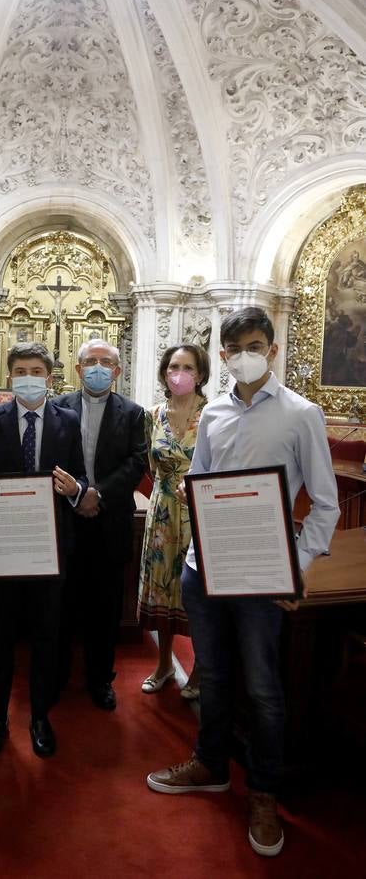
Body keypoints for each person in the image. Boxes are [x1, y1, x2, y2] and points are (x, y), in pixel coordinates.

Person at [146, 307, 340, 858]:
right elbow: (199, 480)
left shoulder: (301, 413)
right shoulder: (213, 413)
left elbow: (325, 503)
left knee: (262, 688)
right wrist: (197, 502)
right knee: (211, 674)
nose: (244, 356)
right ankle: (211, 763)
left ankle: (264, 791)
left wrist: (295, 567)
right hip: (204, 567)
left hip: (263, 576)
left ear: (272, 350)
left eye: (254, 346)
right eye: (234, 349)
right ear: (223, 356)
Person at [0, 342, 88, 759]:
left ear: (49, 377)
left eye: (36, 371)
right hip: (2, 547)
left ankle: (39, 716)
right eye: (20, 371)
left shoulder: (68, 420)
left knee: (46, 636)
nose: (28, 378)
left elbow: (81, 478)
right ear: (9, 376)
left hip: (48, 549)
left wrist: (76, 489)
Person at [55, 338, 147, 710]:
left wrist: (98, 494)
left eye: (105, 362)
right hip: (67, 518)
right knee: (63, 602)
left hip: (111, 521)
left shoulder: (134, 412)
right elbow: (52, 457)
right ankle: (59, 674)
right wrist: (78, 494)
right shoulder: (58, 407)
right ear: (78, 369)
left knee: (106, 607)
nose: (97, 368)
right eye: (90, 361)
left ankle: (100, 678)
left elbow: (137, 462)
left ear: (117, 371)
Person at [137, 344, 210, 699]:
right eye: (173, 367)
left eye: (188, 367)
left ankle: (199, 670)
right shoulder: (152, 415)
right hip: (163, 511)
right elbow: (151, 466)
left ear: (201, 373)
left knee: (196, 592)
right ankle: (164, 663)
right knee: (162, 589)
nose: (179, 373)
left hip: (199, 513)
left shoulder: (213, 414)